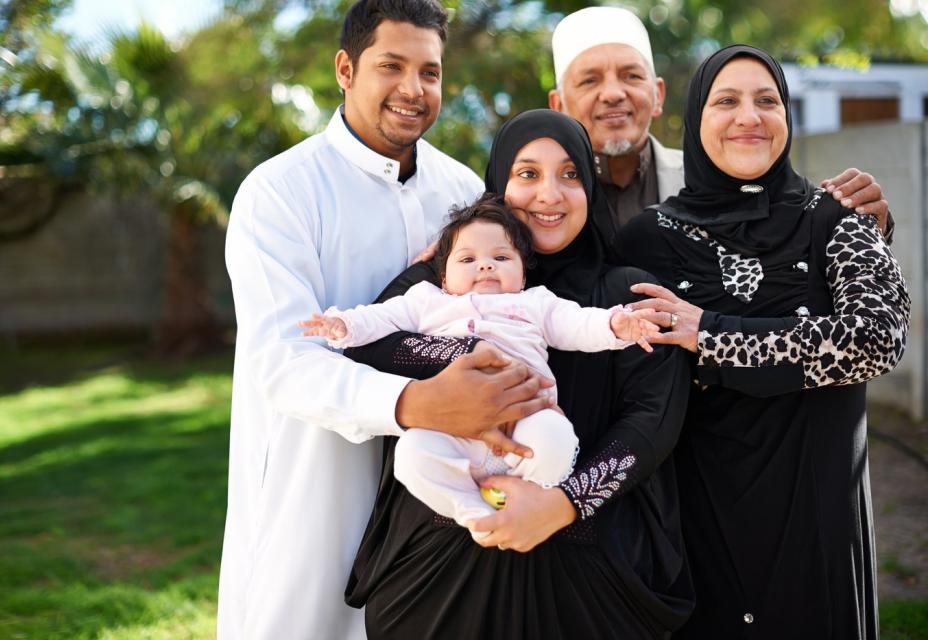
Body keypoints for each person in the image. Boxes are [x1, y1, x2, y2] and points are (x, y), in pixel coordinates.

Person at [218, 1, 554, 638]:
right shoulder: (279, 192)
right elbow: (285, 362)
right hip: (314, 484)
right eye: (391, 66)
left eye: (429, 72)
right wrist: (420, 404)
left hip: (443, 494)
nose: (413, 89)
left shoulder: (461, 194)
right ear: (346, 68)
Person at [345, 109, 694, 639]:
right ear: (499, 184)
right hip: (440, 574)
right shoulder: (441, 279)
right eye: (527, 174)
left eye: (571, 174)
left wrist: (565, 503)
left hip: (590, 578)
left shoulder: (625, 296)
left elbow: (653, 421)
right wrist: (469, 353)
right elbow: (366, 349)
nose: (549, 194)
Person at [612, 45, 910, 639]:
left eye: (767, 100)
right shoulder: (647, 238)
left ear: (787, 118)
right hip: (701, 528)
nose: (749, 116)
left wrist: (713, 336)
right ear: (696, 120)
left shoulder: (837, 218)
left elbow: (876, 339)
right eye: (726, 101)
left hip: (817, 523)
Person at [301, 195, 661, 538]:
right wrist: (344, 326)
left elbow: (578, 324)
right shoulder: (426, 301)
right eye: (467, 259)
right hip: (452, 423)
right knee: (411, 457)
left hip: (525, 417)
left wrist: (617, 325)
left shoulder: (534, 303)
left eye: (501, 258)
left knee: (557, 439)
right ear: (443, 278)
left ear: (522, 275)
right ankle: (472, 508)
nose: (485, 265)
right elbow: (381, 318)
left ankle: (524, 499)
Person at [547, 5, 893, 242]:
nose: (613, 94)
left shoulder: (722, 179)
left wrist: (858, 223)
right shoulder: (534, 200)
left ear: (658, 95)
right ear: (558, 105)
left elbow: (791, 227)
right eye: (590, 81)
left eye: (631, 76)